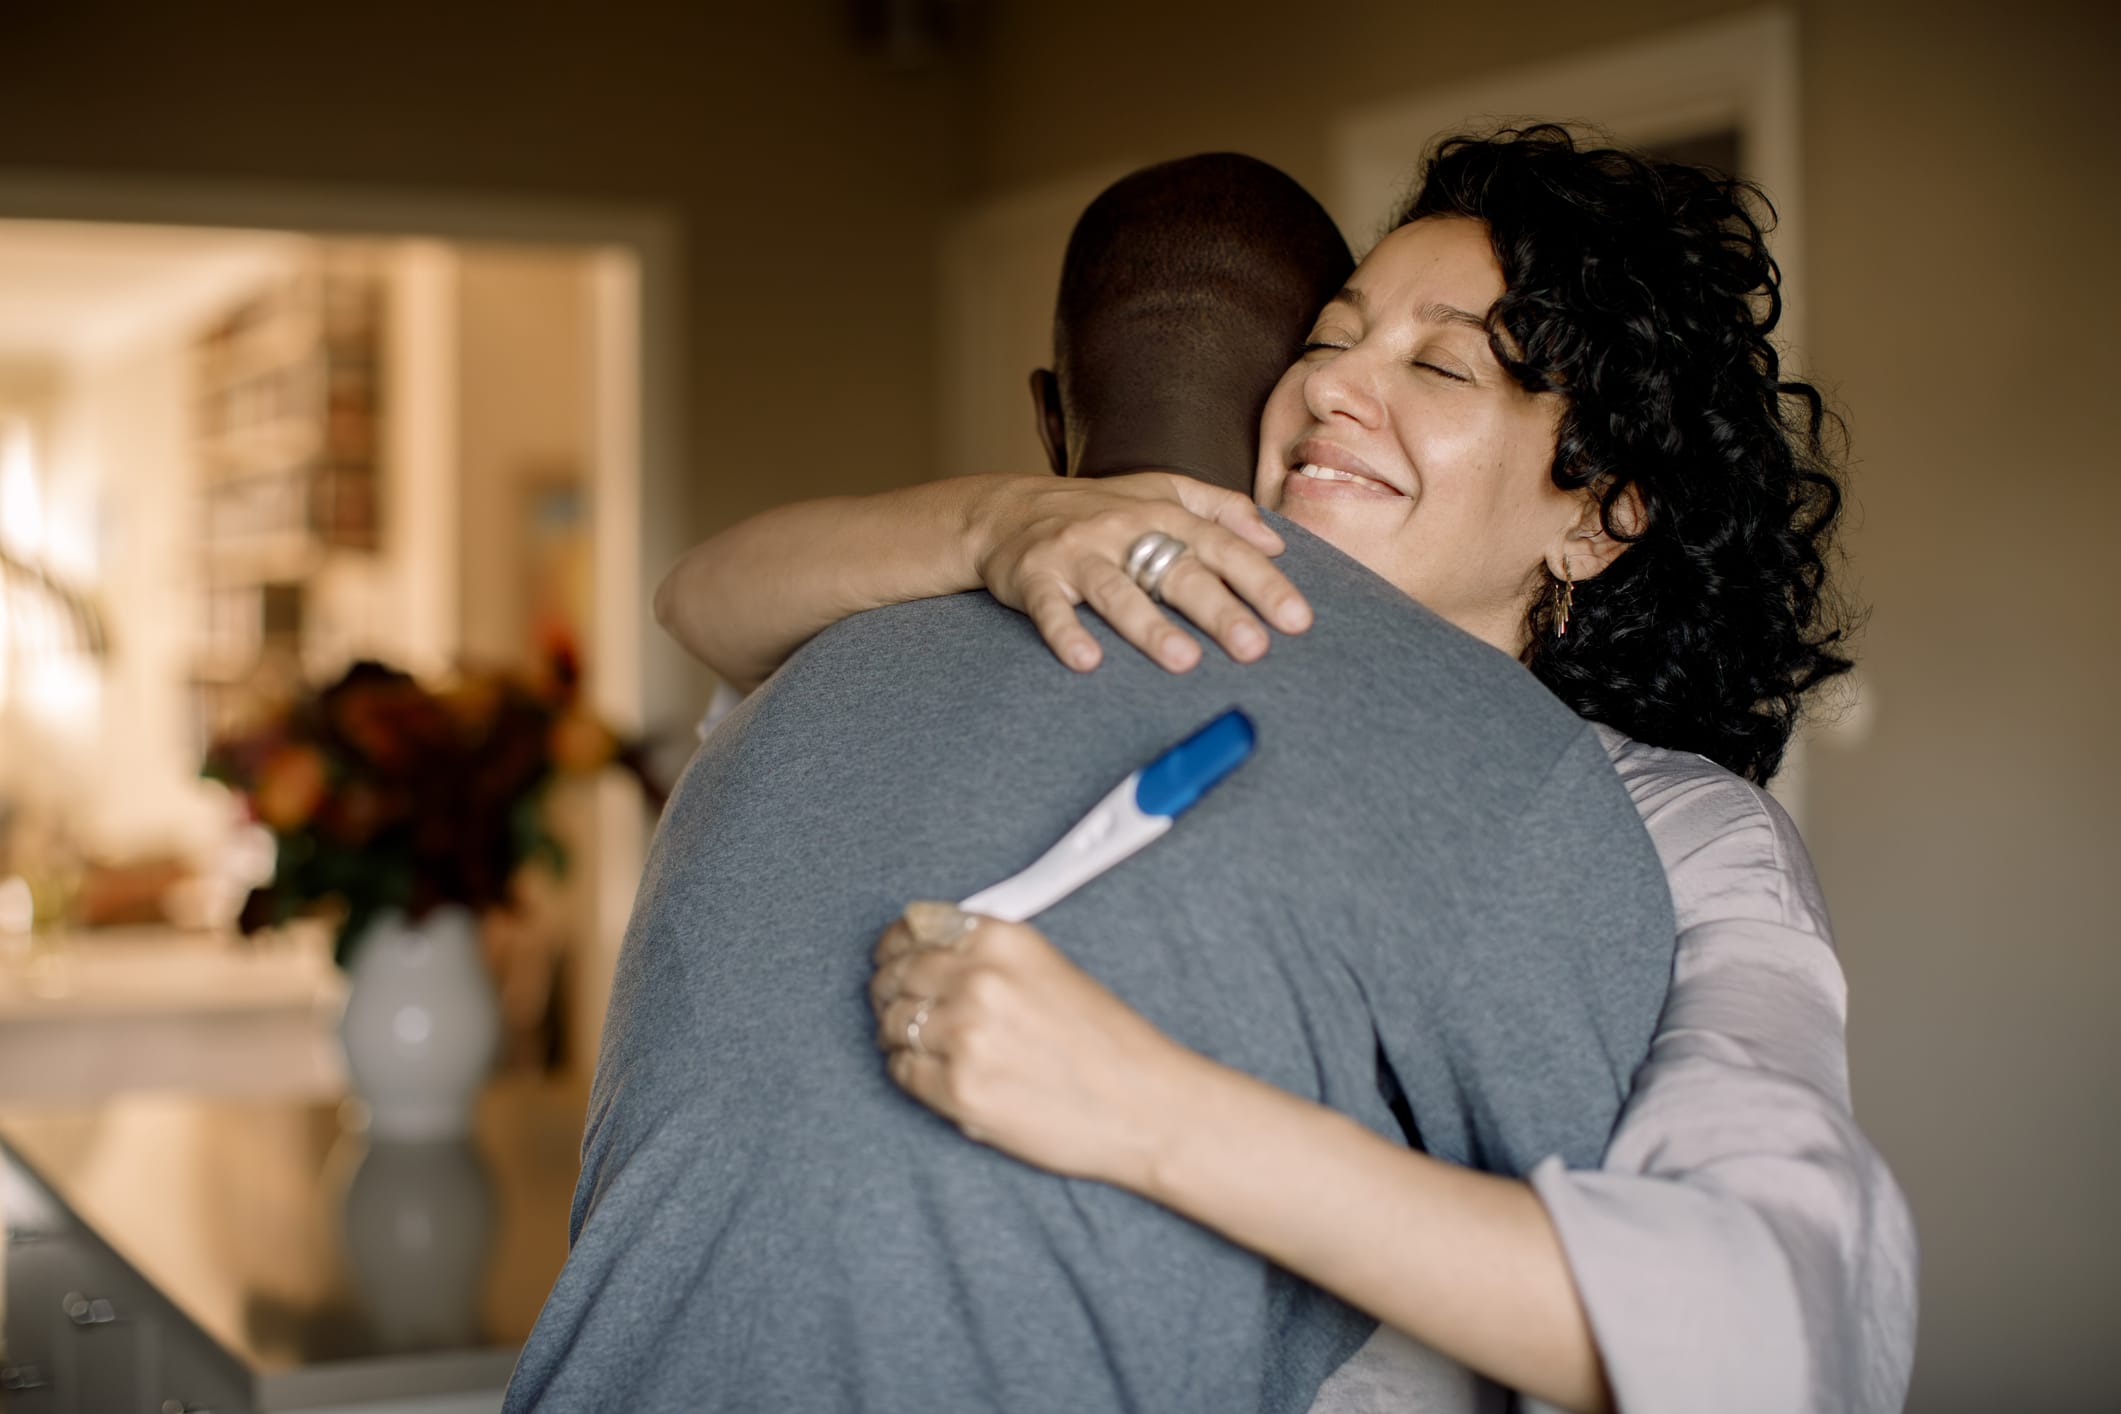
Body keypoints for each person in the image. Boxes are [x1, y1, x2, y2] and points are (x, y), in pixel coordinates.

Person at [654, 128, 1917, 1414]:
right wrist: (993, 520)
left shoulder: (1676, 835)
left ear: (1599, 514)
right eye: (1326, 339)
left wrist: (1146, 1108)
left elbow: (1772, 1325)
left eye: (1437, 364)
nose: (1328, 391)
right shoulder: (1120, 645)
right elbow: (708, 606)